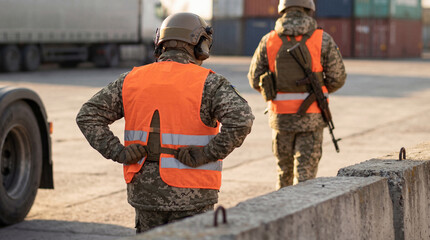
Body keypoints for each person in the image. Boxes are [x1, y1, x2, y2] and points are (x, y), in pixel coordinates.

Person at [76, 12, 254, 233]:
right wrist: (207, 153)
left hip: (146, 194)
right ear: (199, 45)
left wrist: (118, 151)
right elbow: (242, 120)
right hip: (193, 194)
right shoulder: (210, 83)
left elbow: (88, 115)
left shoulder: (131, 80)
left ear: (160, 43)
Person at [247, 0, 346, 189]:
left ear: (282, 10)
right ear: (309, 9)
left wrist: (275, 92)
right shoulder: (322, 39)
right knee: (305, 177)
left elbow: (254, 79)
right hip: (312, 118)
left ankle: (280, 215)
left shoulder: (269, 40)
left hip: (280, 119)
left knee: (284, 173)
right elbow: (337, 78)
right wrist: (318, 90)